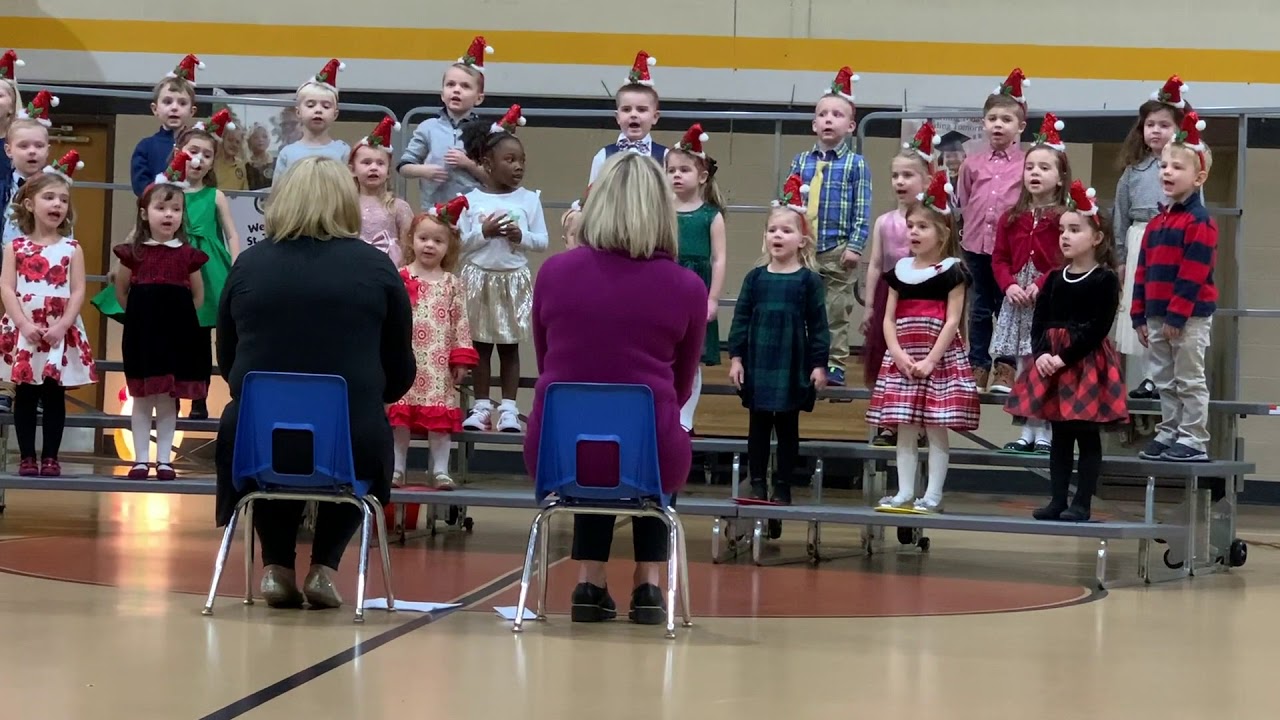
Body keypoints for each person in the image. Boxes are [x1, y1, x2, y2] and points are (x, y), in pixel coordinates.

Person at [215, 156, 414, 609]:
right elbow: (400, 369)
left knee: (271, 433)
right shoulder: (378, 268)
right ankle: (324, 565)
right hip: (351, 435)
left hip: (257, 440)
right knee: (355, 438)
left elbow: (229, 363)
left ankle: (276, 566)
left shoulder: (247, 266)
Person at [523, 152, 706, 626]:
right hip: (649, 451)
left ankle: (589, 580)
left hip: (556, 450)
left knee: (591, 427)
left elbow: (546, 361)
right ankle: (648, 585)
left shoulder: (554, 274)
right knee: (647, 434)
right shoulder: (686, 286)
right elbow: (682, 384)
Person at [1007, 181, 1127, 522]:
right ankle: (1058, 499)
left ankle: (1082, 504)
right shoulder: (1055, 277)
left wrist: (1064, 356)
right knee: (1059, 433)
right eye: (1063, 230)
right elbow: (1039, 320)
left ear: (1097, 238)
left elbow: (1098, 327)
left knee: (1085, 434)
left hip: (1083, 361)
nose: (1065, 236)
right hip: (1052, 363)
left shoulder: (1103, 280)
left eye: (1075, 230)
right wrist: (1042, 353)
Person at [868, 171, 980, 514]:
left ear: (943, 233)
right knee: (904, 427)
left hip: (937, 359)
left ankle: (931, 495)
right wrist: (898, 354)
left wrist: (931, 360)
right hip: (904, 357)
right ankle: (903, 492)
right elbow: (888, 318)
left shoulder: (952, 270)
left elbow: (952, 320)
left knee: (934, 428)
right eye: (911, 225)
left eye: (923, 226)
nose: (914, 232)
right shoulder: (900, 269)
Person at [728, 174, 830, 505]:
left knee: (787, 426)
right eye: (773, 230)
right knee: (758, 424)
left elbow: (818, 325)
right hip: (759, 359)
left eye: (786, 231)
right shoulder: (755, 277)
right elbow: (741, 318)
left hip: (790, 361)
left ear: (802, 240)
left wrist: (818, 364)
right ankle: (756, 481)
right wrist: (736, 358)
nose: (778, 235)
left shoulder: (808, 280)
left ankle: (783, 484)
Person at [0, 154, 97, 477]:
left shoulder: (72, 248)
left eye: (63, 200)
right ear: (29, 204)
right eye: (49, 197)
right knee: (25, 393)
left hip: (58, 328)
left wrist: (63, 324)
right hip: (25, 327)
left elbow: (79, 290)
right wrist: (23, 323)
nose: (57, 205)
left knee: (54, 394)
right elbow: (6, 287)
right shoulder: (15, 246)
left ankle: (51, 456)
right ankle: (27, 455)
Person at [114, 154, 210, 481]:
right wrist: (142, 316)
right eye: (161, 208)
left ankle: (165, 460)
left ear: (182, 215)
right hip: (142, 334)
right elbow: (122, 290)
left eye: (175, 209)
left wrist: (180, 320)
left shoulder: (187, 254)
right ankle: (141, 459)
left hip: (176, 336)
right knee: (142, 399)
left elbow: (197, 295)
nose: (168, 214)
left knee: (168, 401)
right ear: (145, 213)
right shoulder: (134, 251)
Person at [1131, 111, 1217, 463]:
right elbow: (1143, 271)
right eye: (1164, 166)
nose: (1166, 172)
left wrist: (1177, 316)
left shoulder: (1200, 222)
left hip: (1188, 318)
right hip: (1156, 316)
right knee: (1163, 380)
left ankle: (1193, 438)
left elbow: (1193, 274)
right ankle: (1169, 431)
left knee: (1188, 380)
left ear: (1199, 177)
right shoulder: (1157, 223)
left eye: (1176, 168)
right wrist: (1139, 315)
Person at [457, 106, 548, 433]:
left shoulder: (529, 200)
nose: (518, 166)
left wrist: (520, 236)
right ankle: (482, 407)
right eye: (509, 160)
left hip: (514, 279)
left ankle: (508, 409)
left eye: (521, 159)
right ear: (486, 164)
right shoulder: (470, 199)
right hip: (478, 277)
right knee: (480, 346)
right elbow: (460, 244)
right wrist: (485, 233)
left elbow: (541, 241)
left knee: (509, 346)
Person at [788, 66, 872, 387]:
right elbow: (790, 200)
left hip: (838, 249)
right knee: (802, 307)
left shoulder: (856, 164)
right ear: (813, 124)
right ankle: (805, 361)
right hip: (805, 247)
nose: (828, 119)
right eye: (822, 114)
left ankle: (835, 363)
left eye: (837, 114)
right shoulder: (801, 161)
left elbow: (862, 209)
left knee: (836, 311)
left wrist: (855, 245)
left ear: (850, 126)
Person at [991, 116, 1070, 451]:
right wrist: (1009, 285)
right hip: (1017, 301)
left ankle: (1046, 432)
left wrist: (1040, 283)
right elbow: (999, 259)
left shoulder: (1064, 217)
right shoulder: (1012, 217)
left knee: (1044, 362)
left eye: (1044, 168)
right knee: (1023, 366)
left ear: (1060, 176)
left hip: (1046, 300)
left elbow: (1063, 259)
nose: (1035, 173)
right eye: (1030, 167)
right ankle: (1027, 430)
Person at [389, 198, 479, 489]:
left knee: (440, 420)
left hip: (437, 363)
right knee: (399, 419)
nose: (429, 245)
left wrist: (461, 358)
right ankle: (396, 467)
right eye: (423, 238)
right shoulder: (400, 278)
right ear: (411, 240)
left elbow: (460, 322)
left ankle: (440, 470)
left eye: (438, 241)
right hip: (405, 360)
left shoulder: (452, 283)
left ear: (448, 247)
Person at [957, 67, 1029, 393]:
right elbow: (963, 200)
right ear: (984, 123)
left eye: (1006, 119)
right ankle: (977, 366)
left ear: (1020, 127)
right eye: (992, 118)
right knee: (980, 307)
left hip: (1010, 251)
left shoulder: (1027, 163)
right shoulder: (972, 163)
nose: (998, 124)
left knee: (1009, 308)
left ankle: (1005, 368)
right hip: (975, 246)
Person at [862, 124, 935, 446]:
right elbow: (877, 264)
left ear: (927, 181)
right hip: (888, 294)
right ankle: (889, 422)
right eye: (896, 176)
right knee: (886, 360)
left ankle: (918, 422)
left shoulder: (934, 221)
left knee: (917, 358)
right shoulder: (885, 222)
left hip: (922, 296)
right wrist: (869, 305)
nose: (900, 182)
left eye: (908, 175)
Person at [1115, 77, 1185, 399]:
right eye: (1150, 124)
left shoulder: (1184, 168)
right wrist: (1119, 258)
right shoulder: (1133, 172)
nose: (1156, 131)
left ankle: (1166, 376)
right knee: (1140, 308)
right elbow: (1121, 214)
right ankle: (1148, 378)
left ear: (1177, 129)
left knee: (1163, 305)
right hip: (1138, 239)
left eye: (1164, 125)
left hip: (1169, 241)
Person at [665, 124, 727, 433]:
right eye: (671, 170)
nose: (676, 175)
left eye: (684, 170)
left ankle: (684, 418)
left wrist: (713, 297)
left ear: (701, 176)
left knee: (692, 358)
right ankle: (665, 412)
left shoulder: (710, 215)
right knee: (666, 354)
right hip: (666, 288)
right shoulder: (661, 211)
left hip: (697, 289)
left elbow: (719, 258)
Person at [398, 36, 490, 209]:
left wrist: (468, 164)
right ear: (442, 93)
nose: (456, 89)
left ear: (479, 98)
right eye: (450, 84)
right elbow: (404, 166)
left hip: (474, 212)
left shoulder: (486, 132)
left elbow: (493, 178)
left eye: (465, 86)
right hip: (435, 209)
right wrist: (424, 170)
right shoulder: (428, 128)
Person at [587, 51, 665, 184]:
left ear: (655, 117)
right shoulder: (603, 156)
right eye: (626, 109)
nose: (633, 114)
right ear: (617, 117)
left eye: (641, 109)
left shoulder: (666, 157)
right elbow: (593, 197)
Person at [272, 59, 352, 184]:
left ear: (335, 114)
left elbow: (349, 192)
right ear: (298, 112)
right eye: (310, 105)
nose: (318, 110)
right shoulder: (287, 153)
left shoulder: (343, 151)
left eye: (326, 106)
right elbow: (277, 194)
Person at [131, 55, 200, 197]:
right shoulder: (145, 147)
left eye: (182, 103)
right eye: (167, 102)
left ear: (192, 111)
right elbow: (140, 187)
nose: (174, 108)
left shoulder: (198, 146)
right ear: (155, 109)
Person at [351, 117, 412, 265]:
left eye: (380, 163)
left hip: (389, 267)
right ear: (352, 170)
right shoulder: (347, 204)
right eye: (366, 162)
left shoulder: (399, 207)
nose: (373, 167)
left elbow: (409, 245)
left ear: (388, 172)